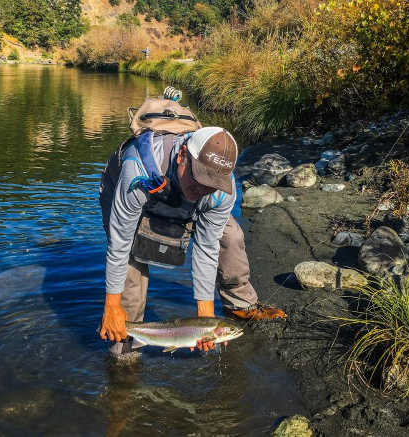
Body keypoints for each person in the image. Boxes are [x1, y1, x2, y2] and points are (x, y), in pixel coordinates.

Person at [99, 107, 286, 356]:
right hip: (136, 191)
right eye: (198, 179)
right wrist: (111, 304)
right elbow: (119, 244)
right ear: (182, 156)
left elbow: (207, 248)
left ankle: (240, 304)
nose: (201, 189)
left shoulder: (220, 189)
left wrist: (206, 317)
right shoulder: (137, 171)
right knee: (131, 262)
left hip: (179, 197)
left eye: (211, 184)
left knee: (229, 235)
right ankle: (126, 343)